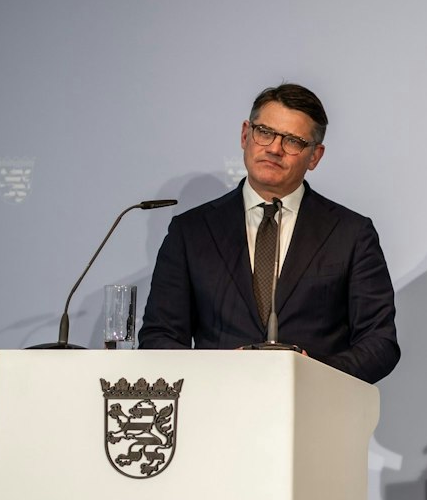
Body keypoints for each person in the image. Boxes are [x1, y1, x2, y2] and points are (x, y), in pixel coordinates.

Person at [138, 83, 401, 383]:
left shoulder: (351, 234)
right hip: (216, 411)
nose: (274, 148)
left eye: (293, 141)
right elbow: (160, 336)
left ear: (315, 156)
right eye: (265, 132)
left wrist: (313, 374)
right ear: (245, 135)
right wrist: (214, 372)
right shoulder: (192, 232)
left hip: (315, 414)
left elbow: (380, 343)